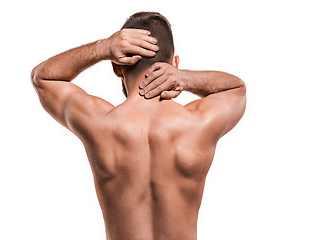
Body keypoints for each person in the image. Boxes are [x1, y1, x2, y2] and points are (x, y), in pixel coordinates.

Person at [31, 11, 246, 240]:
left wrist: (102, 48)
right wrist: (185, 78)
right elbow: (237, 90)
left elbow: (43, 78)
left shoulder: (100, 123)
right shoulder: (197, 124)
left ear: (116, 67)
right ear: (174, 63)